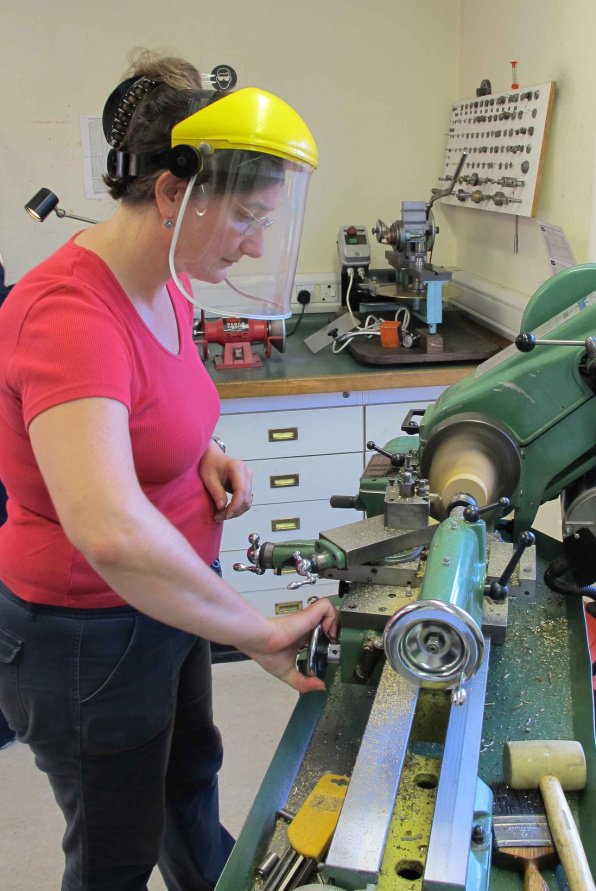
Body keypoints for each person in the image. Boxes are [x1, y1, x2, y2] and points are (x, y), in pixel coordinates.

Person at [0, 49, 338, 891]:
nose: (258, 240)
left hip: (171, 597)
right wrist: (254, 629)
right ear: (171, 196)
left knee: (189, 784)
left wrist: (204, 453)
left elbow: (155, 410)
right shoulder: (68, 314)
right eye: (246, 218)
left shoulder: (176, 281)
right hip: (90, 633)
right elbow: (108, 527)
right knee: (115, 847)